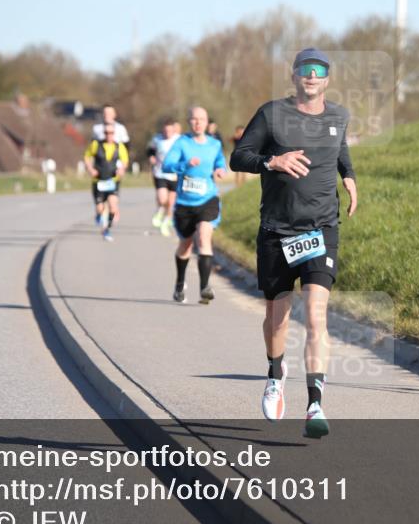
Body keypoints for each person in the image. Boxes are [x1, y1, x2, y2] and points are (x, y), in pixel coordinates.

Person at [230, 47, 357, 439]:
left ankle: (315, 403)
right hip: (278, 231)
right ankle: (274, 371)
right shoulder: (272, 114)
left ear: (327, 78)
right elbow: (239, 156)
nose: (312, 76)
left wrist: (349, 176)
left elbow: (341, 148)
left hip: (321, 229)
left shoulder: (338, 116)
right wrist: (273, 162)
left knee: (317, 316)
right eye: (306, 69)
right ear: (295, 76)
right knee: (277, 317)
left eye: (319, 70)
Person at [162, 107, 226, 304]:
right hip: (184, 204)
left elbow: (220, 161)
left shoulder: (214, 144)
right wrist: (185, 164)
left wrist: (220, 169)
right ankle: (180, 282)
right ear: (189, 122)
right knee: (186, 244)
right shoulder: (182, 143)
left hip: (207, 199)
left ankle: (204, 287)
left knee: (204, 236)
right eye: (194, 119)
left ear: (207, 123)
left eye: (201, 119)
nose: (198, 123)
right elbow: (166, 165)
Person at [83, 123, 129, 242]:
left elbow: (125, 161)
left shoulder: (119, 147)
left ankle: (106, 229)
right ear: (103, 134)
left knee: (113, 207)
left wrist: (122, 169)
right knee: (100, 208)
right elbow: (87, 157)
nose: (109, 135)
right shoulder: (95, 145)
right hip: (98, 181)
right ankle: (99, 215)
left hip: (113, 181)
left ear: (114, 134)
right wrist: (90, 169)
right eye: (107, 133)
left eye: (111, 133)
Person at [146, 117, 180, 236]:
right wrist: (151, 157)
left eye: (170, 131)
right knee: (162, 199)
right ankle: (160, 209)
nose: (167, 133)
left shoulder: (178, 140)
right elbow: (150, 149)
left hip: (174, 175)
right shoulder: (157, 139)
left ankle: (166, 222)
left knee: (171, 202)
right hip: (160, 172)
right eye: (165, 131)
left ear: (174, 130)